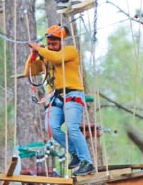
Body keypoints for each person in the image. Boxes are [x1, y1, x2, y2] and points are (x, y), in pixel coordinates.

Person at [26, 25, 95, 176]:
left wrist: (41, 50)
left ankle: (87, 162)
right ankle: (75, 153)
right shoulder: (46, 56)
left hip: (72, 94)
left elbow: (58, 58)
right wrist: (33, 54)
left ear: (61, 41)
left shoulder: (69, 51)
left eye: (54, 44)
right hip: (56, 97)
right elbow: (29, 72)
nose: (51, 46)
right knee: (52, 128)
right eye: (49, 44)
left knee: (72, 127)